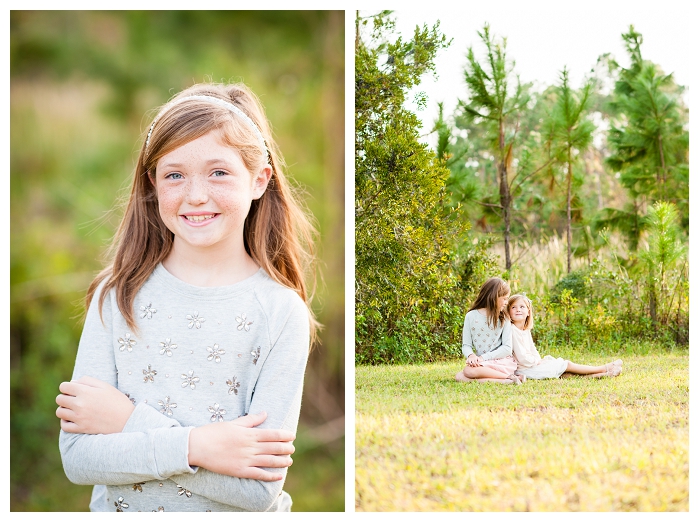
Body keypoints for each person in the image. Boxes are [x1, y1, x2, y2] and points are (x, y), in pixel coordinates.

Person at [55, 82, 319, 512]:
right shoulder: (117, 296)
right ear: (153, 184)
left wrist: (128, 423)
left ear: (258, 180)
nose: (196, 195)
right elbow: (79, 459)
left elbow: (257, 490)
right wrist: (201, 447)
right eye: (174, 174)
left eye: (219, 172)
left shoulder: (280, 312)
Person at [508, 294, 622, 379]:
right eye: (514, 307)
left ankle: (604, 375)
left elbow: (533, 349)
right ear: (509, 312)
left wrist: (538, 360)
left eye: (522, 307)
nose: (518, 309)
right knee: (567, 364)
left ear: (528, 312)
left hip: (532, 365)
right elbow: (522, 357)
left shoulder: (525, 330)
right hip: (525, 370)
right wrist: (536, 361)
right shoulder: (513, 330)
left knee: (565, 374)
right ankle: (604, 368)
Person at [455, 277, 523, 385]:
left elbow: (507, 348)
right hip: (482, 363)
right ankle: (508, 380)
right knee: (459, 376)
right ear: (493, 297)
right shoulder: (471, 316)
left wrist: (482, 358)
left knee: (468, 371)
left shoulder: (503, 318)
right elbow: (466, 345)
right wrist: (471, 356)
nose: (506, 302)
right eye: (504, 299)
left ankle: (509, 376)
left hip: (501, 361)